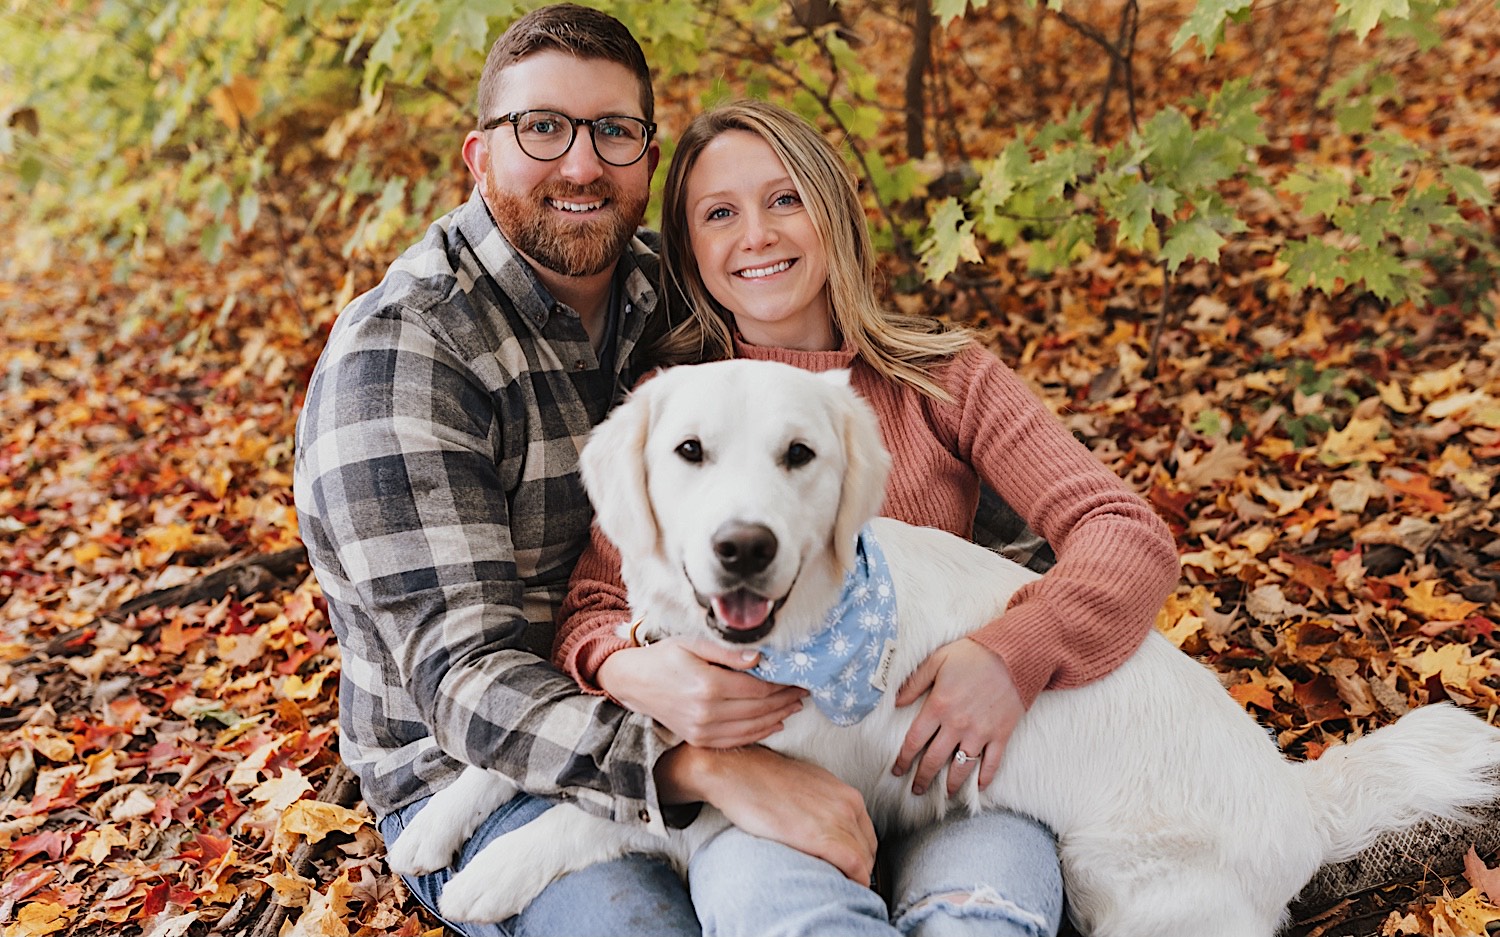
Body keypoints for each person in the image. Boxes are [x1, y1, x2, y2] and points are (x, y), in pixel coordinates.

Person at [554, 100, 1182, 936]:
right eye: (719, 214)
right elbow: (593, 608)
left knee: (983, 915)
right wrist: (635, 668)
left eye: (785, 199)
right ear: (690, 249)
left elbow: (1123, 532)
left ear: (833, 210)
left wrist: (1011, 655)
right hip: (773, 776)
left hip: (954, 774)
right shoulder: (681, 413)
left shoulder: (942, 377)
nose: (758, 235)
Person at [294, 6, 708, 935]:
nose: (582, 163)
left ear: (647, 154)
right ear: (480, 157)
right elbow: (468, 679)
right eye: (542, 127)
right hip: (476, 778)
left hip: (697, 700)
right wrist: (710, 765)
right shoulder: (405, 351)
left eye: (614, 131)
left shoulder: (681, 293)